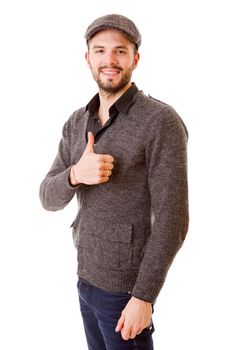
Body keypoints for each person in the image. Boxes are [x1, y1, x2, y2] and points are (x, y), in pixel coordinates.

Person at [39, 13, 189, 350]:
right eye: (100, 50)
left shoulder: (161, 122)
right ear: (88, 58)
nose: (109, 60)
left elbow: (174, 219)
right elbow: (47, 197)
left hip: (125, 293)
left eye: (120, 51)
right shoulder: (77, 121)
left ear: (135, 58)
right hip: (85, 281)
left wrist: (143, 297)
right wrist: (76, 174)